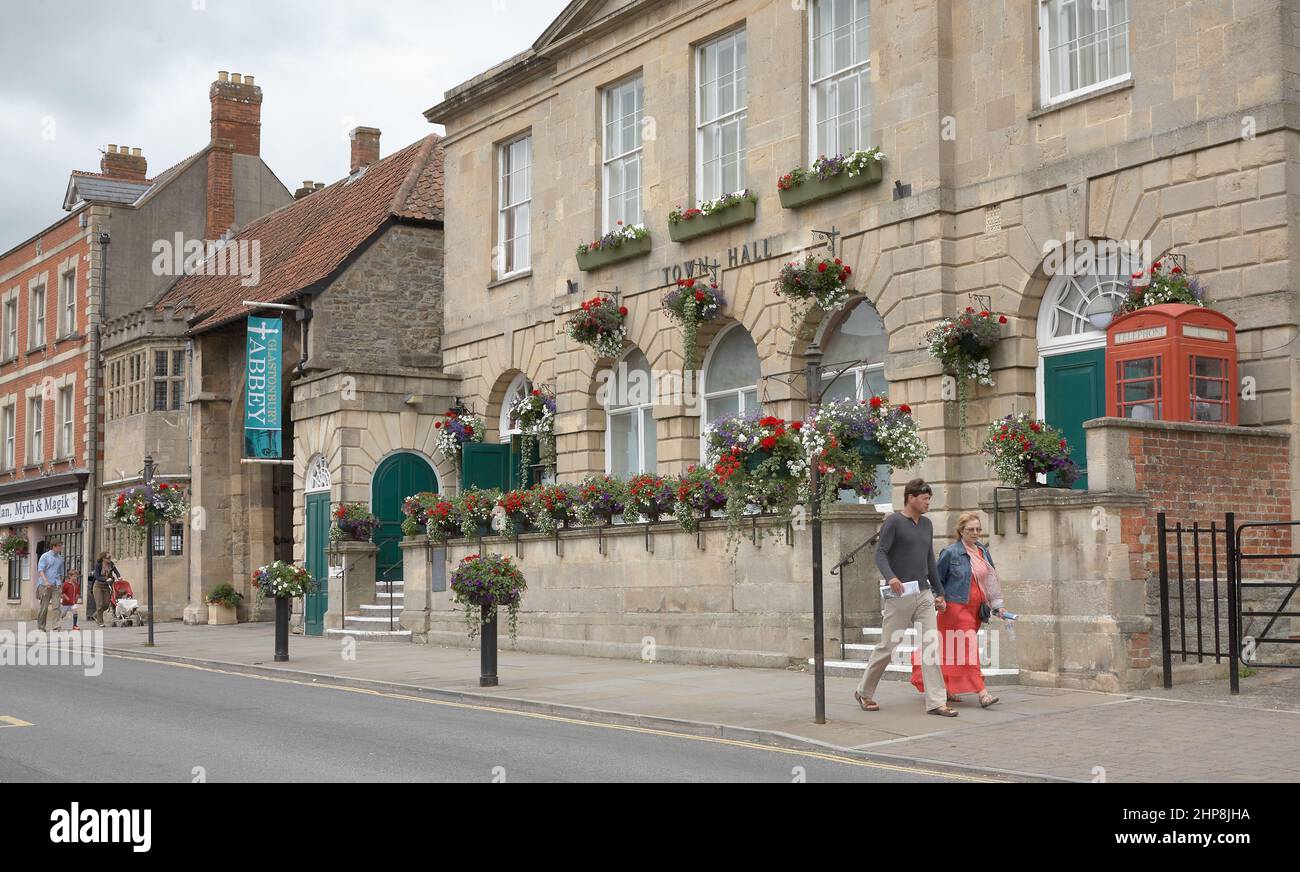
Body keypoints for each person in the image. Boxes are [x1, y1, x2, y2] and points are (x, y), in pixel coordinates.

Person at [854, 479, 957, 717]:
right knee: (888, 647)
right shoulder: (894, 522)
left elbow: (929, 561)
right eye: (924, 498)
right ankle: (864, 691)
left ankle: (936, 702)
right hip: (900, 594)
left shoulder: (927, 525)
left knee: (931, 645)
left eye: (929, 499)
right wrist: (891, 577)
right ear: (911, 498)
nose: (928, 503)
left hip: (923, 593)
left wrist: (939, 592)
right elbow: (880, 554)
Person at [910, 512, 1002, 708]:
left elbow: (991, 579)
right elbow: (935, 579)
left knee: (951, 650)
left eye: (978, 529)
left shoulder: (982, 552)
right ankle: (982, 693)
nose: (975, 533)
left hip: (976, 610)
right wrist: (938, 597)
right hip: (954, 609)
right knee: (968, 648)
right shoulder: (950, 553)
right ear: (961, 531)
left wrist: (997, 606)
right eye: (970, 529)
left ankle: (946, 689)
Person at [34, 541, 65, 632]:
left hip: (56, 585)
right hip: (44, 585)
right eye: (59, 546)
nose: (61, 548)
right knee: (44, 607)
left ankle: (56, 625)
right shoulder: (45, 556)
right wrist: (46, 581)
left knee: (56, 606)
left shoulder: (60, 559)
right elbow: (40, 570)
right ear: (53, 546)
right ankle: (41, 626)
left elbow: (60, 573)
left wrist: (61, 586)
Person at [90, 551, 120, 628]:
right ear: (103, 558)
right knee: (100, 605)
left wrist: (119, 576)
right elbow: (96, 576)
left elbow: (116, 571)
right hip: (98, 586)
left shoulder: (111, 564)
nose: (110, 559)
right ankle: (100, 622)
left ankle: (96, 615)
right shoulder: (99, 565)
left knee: (106, 605)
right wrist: (105, 579)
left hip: (107, 586)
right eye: (108, 558)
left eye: (110, 557)